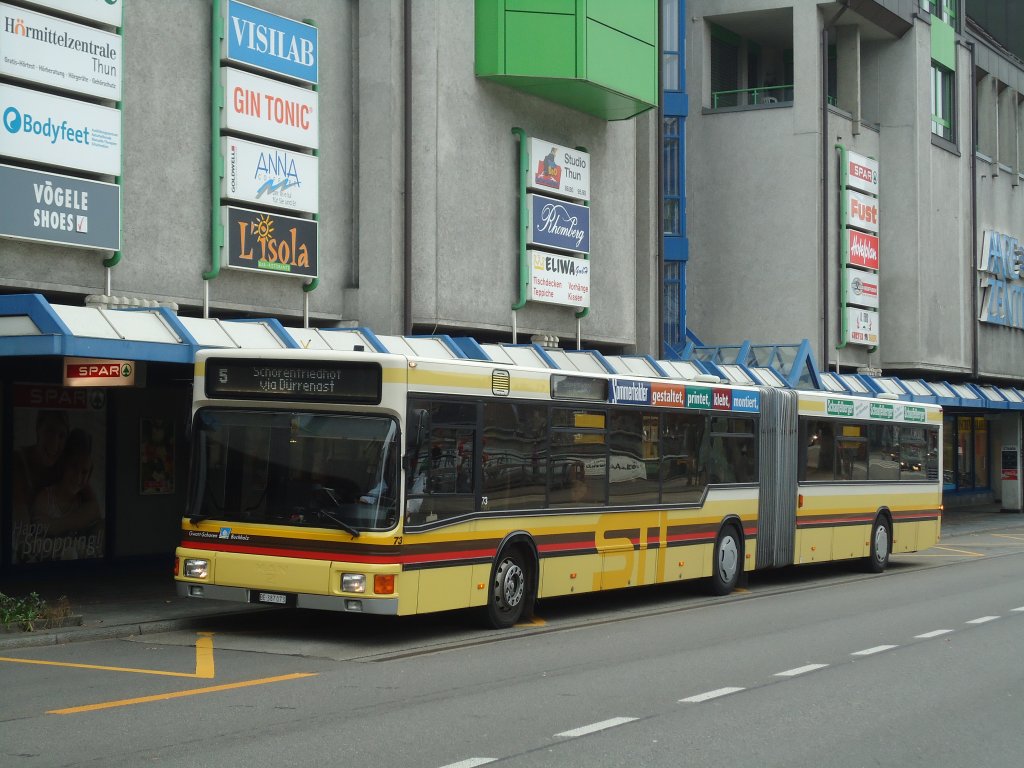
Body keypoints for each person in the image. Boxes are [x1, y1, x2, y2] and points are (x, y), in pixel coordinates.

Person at [30, 428, 102, 537]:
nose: (78, 478)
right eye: (73, 467)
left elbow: (96, 511)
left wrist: (55, 526)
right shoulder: (45, 499)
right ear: (64, 464)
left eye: (84, 472)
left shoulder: (84, 499)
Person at [12, 410, 69, 524]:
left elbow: (93, 508)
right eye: (49, 431)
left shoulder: (65, 464)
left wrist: (58, 527)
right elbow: (21, 525)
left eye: (61, 436)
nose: (54, 443)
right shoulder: (18, 460)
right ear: (38, 429)